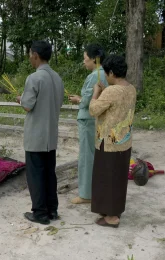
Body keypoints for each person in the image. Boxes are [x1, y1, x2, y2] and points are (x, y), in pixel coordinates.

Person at [16, 41, 64, 225]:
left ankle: (40, 214)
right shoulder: (57, 78)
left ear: (35, 55)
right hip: (51, 134)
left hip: (36, 135)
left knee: (36, 174)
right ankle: (52, 210)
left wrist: (20, 99)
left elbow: (28, 105)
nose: (29, 57)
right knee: (49, 173)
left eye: (30, 54)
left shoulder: (34, 78)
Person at [89, 55, 137, 227]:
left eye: (106, 73)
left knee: (106, 178)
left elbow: (93, 110)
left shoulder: (112, 91)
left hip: (108, 141)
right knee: (117, 178)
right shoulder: (131, 88)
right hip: (124, 140)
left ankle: (112, 218)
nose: (106, 77)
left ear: (111, 73)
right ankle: (113, 210)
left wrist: (96, 92)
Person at [68, 44, 108, 204]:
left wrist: (79, 99)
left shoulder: (94, 75)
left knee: (86, 156)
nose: (84, 62)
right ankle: (96, 190)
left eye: (85, 59)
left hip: (88, 120)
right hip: (97, 119)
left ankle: (85, 194)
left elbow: (87, 101)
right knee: (95, 155)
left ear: (94, 59)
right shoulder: (105, 74)